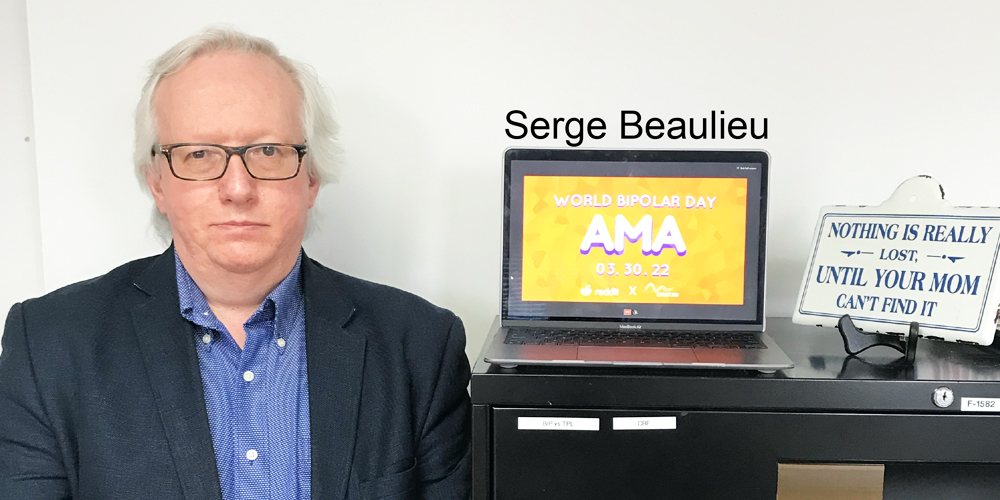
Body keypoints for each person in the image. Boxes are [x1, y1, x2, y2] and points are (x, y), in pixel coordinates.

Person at [0, 27, 471, 500]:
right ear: (157, 182)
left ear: (311, 178)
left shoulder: (421, 347)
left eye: (268, 151)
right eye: (200, 154)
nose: (238, 189)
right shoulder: (48, 346)